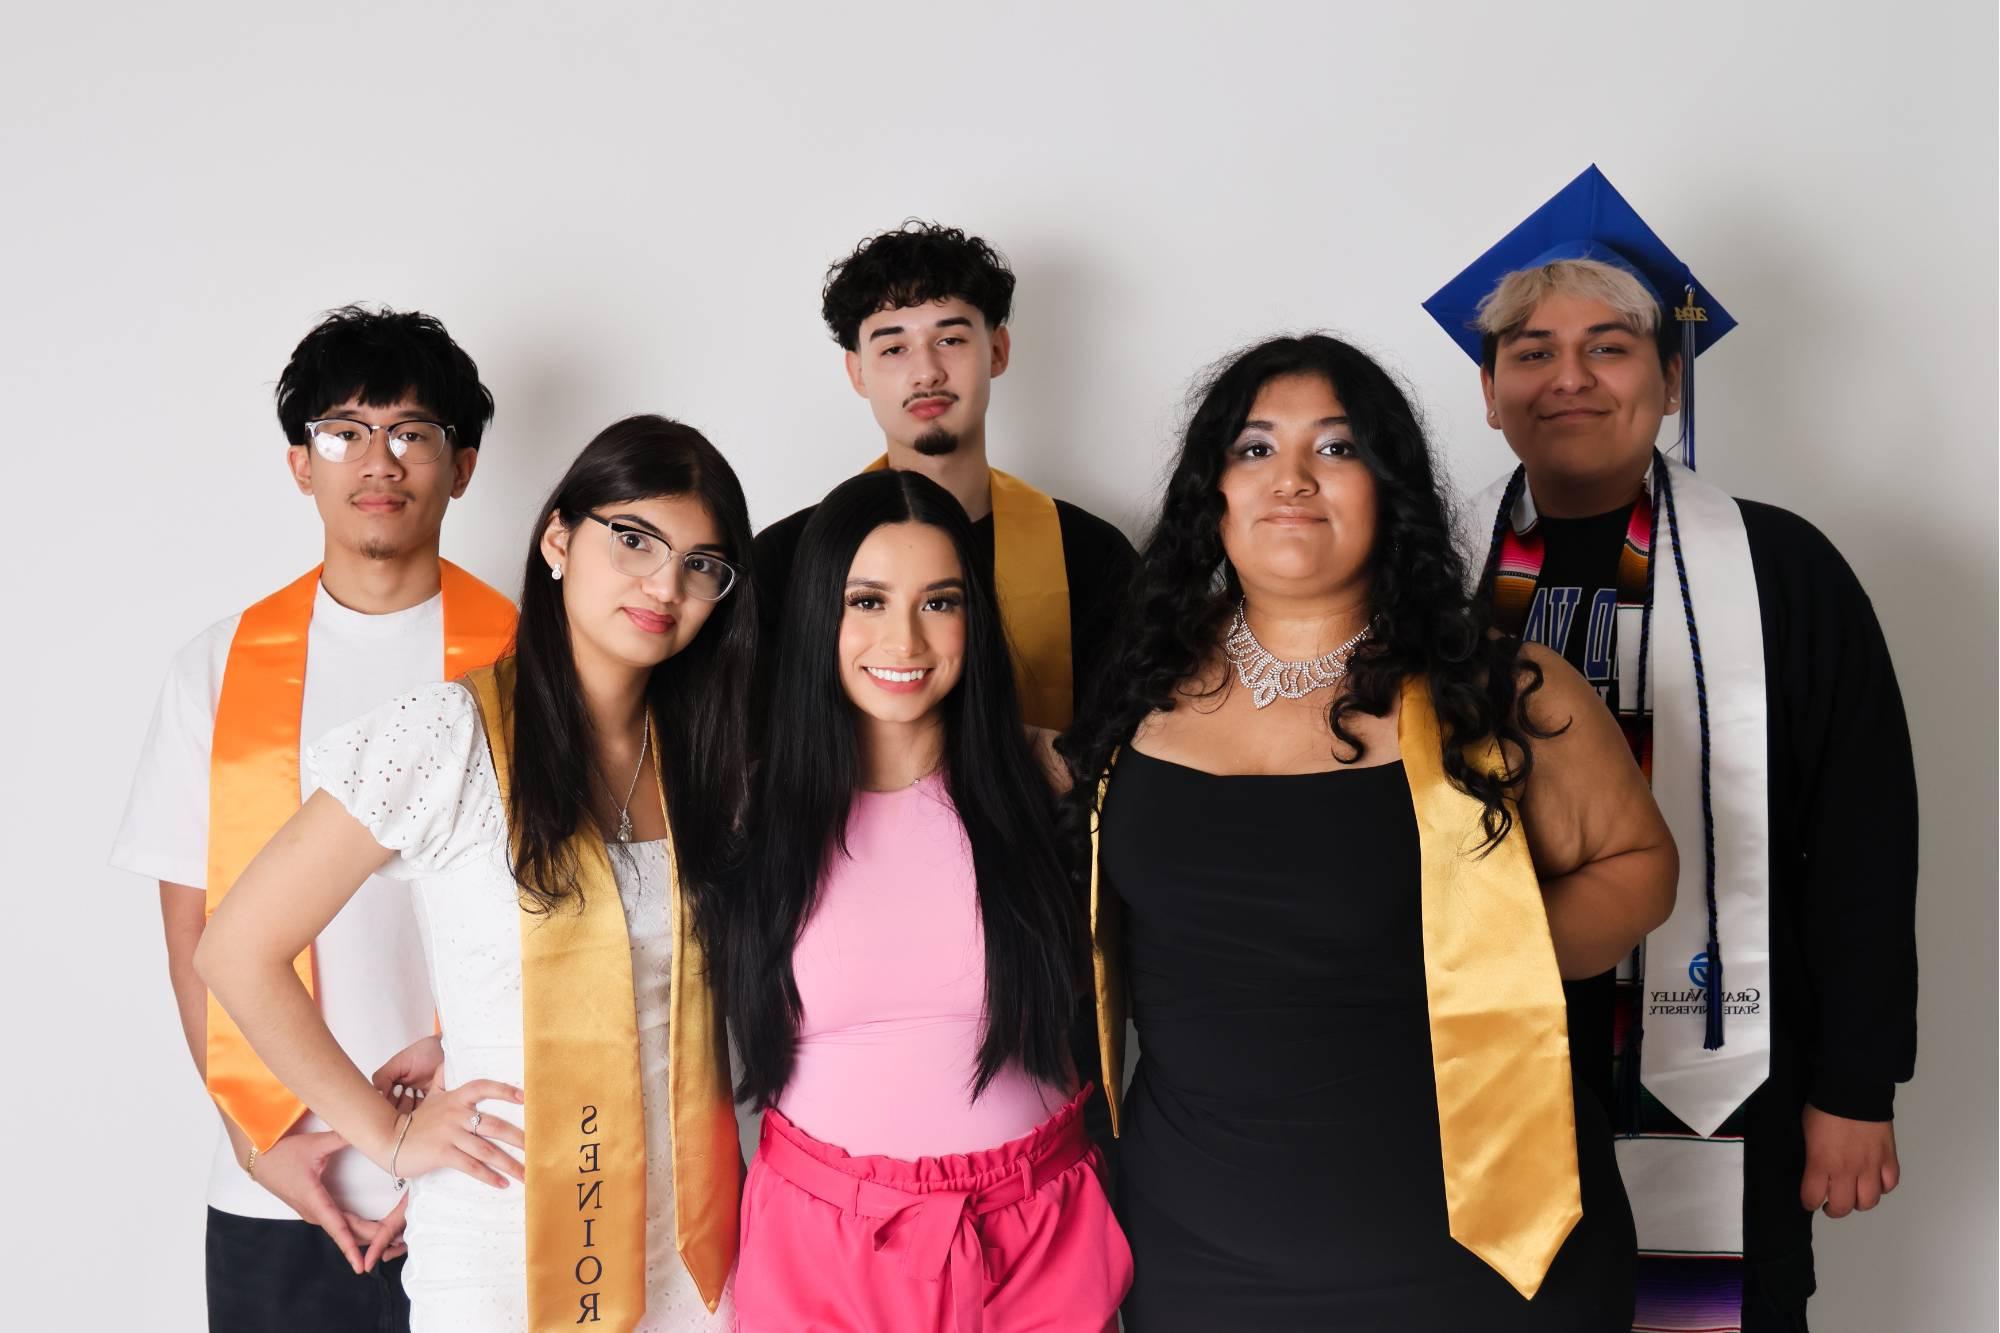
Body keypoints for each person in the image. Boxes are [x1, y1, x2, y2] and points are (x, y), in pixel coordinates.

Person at [1062, 334, 1680, 1331]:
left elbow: (1639, 866)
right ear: (1209, 492)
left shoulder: (1500, 692)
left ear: (1387, 490)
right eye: (1254, 449)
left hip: (1472, 1262)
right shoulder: (1132, 698)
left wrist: (1491, 951)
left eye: (1336, 449)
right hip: (1195, 1255)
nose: (1292, 479)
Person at [1424, 164, 1919, 1332]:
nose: (1568, 378)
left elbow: (1860, 841)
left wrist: (1855, 1086)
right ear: (1489, 391)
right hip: (1466, 1066)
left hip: (1719, 1074)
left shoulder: (1782, 571)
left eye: (1607, 346)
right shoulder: (1422, 585)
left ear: (1666, 376)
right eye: (1531, 351)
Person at [194, 416, 754, 1331]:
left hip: (693, 1247)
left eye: (702, 565)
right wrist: (391, 1134)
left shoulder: (709, 760)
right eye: (635, 539)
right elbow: (236, 949)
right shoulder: (451, 735)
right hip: (508, 1242)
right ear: (559, 538)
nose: (666, 584)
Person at [110, 304, 514, 1330]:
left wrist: (452, 1154)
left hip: (490, 1175)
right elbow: (194, 933)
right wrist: (260, 1145)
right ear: (302, 463)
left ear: (461, 465)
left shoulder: (532, 664)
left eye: (413, 432)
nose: (378, 459)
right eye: (344, 431)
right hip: (280, 1186)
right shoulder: (216, 666)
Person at [724, 469, 1132, 1332]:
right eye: (866, 600)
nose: (903, 638)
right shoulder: (748, 808)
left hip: (1039, 1232)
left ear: (974, 619)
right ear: (817, 617)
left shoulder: (1056, 780)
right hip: (820, 1242)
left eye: (939, 602)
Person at [753, 220, 1138, 731]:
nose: (926, 371)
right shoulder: (786, 560)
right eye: (893, 348)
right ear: (858, 372)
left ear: (998, 350)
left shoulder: (1092, 556)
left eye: (951, 339)